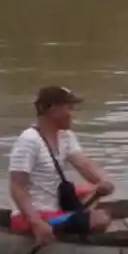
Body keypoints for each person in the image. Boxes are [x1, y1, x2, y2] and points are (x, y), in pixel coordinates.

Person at [9, 87, 114, 244]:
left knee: (91, 195)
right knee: (100, 219)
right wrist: (37, 224)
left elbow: (84, 164)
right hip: (33, 216)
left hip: (57, 211)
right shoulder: (29, 141)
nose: (73, 114)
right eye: (69, 108)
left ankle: (72, 237)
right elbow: (17, 187)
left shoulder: (65, 136)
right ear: (51, 109)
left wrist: (103, 181)